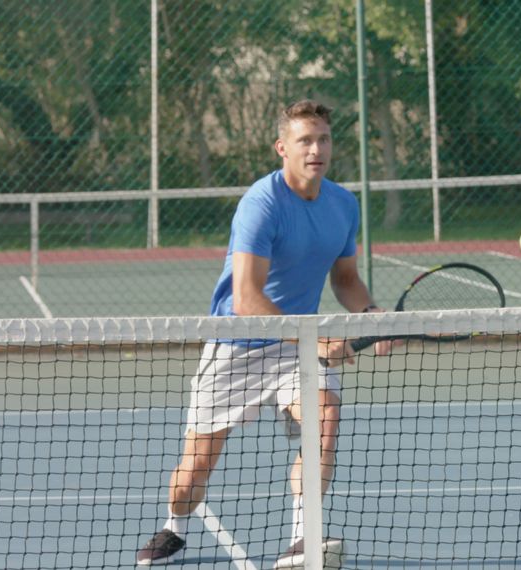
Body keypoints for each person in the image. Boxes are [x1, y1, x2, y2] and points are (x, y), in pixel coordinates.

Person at [136, 99, 388, 567]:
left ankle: (301, 538)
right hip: (238, 345)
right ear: (282, 148)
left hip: (295, 348)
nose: (317, 149)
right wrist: (314, 340)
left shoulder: (342, 204)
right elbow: (247, 298)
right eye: (305, 140)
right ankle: (175, 527)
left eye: (324, 139)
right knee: (193, 475)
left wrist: (373, 314)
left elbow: (346, 281)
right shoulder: (262, 202)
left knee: (325, 416)